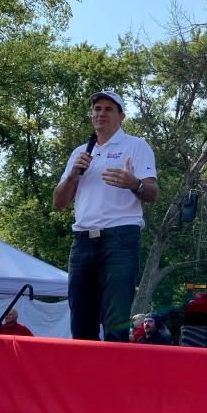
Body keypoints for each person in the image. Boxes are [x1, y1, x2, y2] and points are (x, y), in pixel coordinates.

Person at [52, 90, 158, 342]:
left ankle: (114, 379)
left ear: (121, 116)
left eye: (109, 109)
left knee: (115, 321)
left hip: (120, 239)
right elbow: (59, 203)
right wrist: (72, 175)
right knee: (80, 320)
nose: (101, 113)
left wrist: (134, 183)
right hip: (82, 241)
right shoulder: (80, 153)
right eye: (97, 109)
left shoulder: (136, 145)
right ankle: (83, 379)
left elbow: (152, 193)